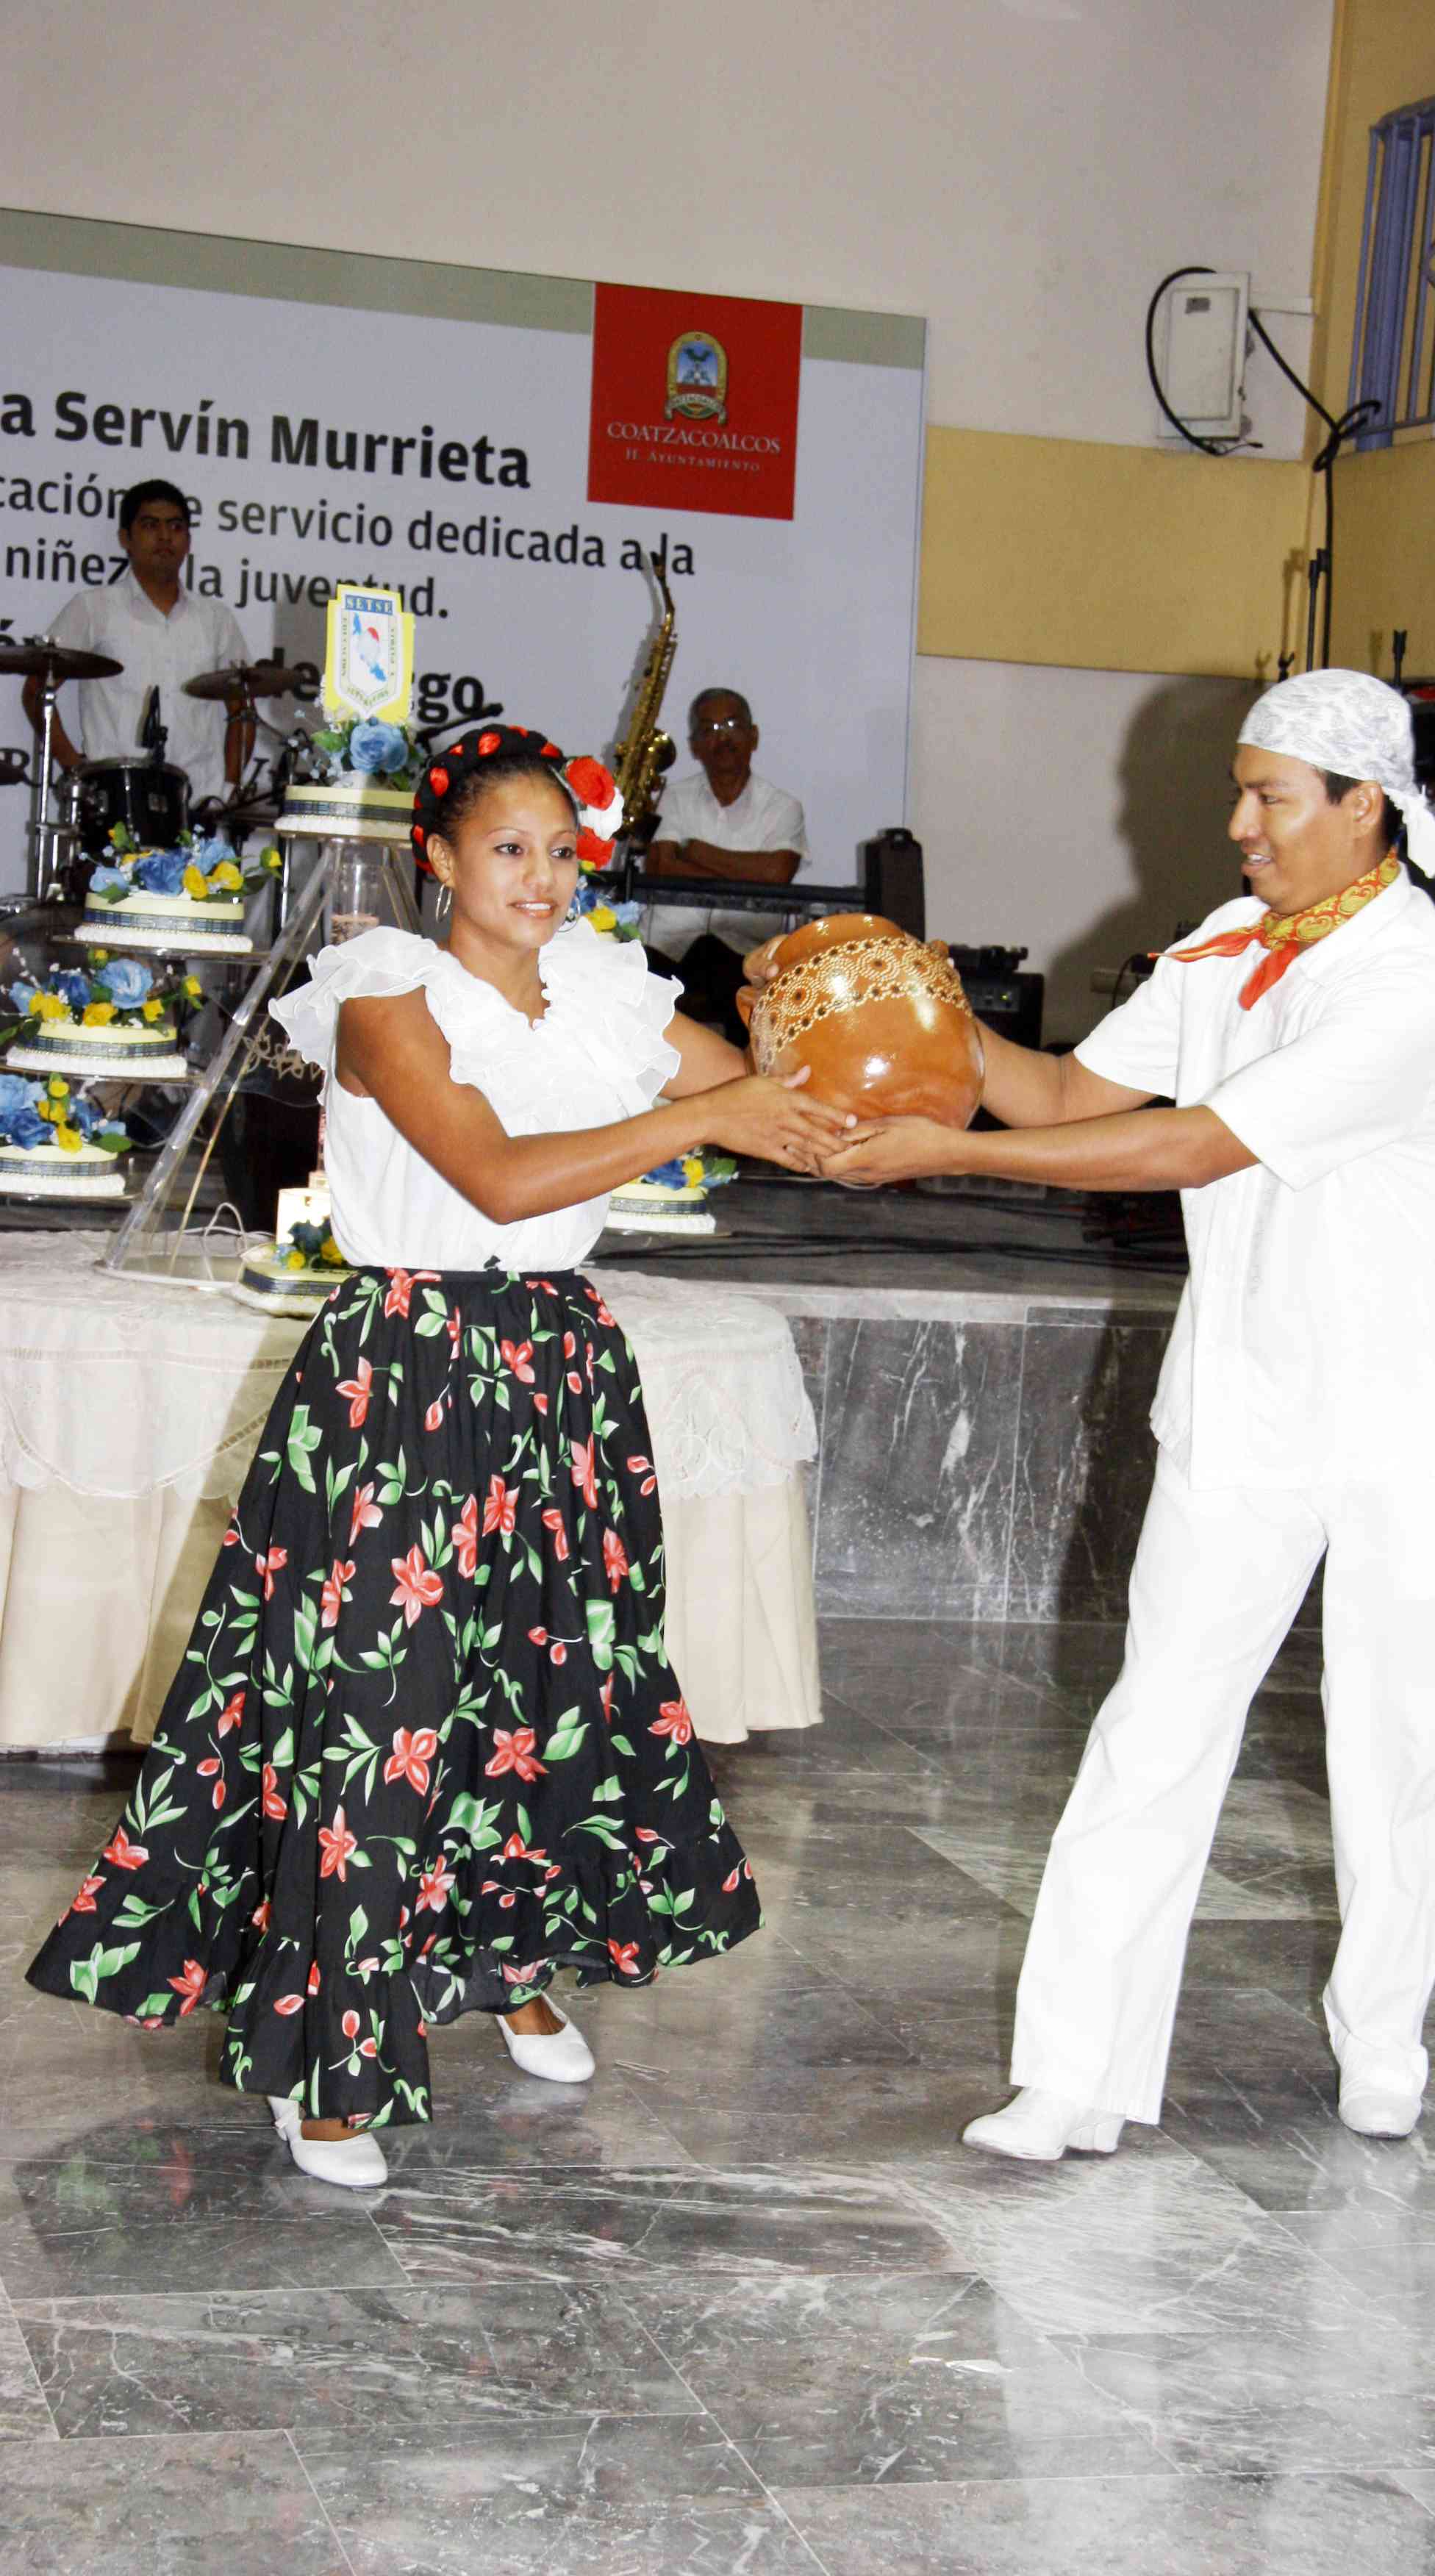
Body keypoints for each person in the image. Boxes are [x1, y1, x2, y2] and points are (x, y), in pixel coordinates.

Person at [27, 726, 849, 2190]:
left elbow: (782, 1099)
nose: (541, 878)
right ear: (442, 858)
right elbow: (498, 1177)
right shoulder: (384, 995)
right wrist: (712, 1112)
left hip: (558, 1374)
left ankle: (504, 1960)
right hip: (407, 1369)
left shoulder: (605, 987)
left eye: (561, 851)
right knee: (377, 1711)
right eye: (508, 849)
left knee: (539, 1691)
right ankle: (327, 2061)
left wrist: (851, 1048)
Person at [808, 669, 1435, 2157]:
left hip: (1415, 1423)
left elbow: (1189, 1148)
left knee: (1402, 1741)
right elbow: (1070, 1098)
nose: (1239, 823)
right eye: (1240, 792)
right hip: (1248, 1403)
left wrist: (947, 1150)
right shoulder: (1223, 944)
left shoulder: (1408, 981)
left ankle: (1382, 2039)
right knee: (1153, 1728)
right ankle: (1073, 2073)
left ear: (1364, 808)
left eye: (1270, 796)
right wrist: (924, 1018)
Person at [21, 478, 251, 811]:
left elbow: (243, 709)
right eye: (150, 525)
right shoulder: (93, 608)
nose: (165, 536)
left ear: (188, 540)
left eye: (176, 526)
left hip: (199, 805)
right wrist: (76, 770)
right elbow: (36, 691)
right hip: (115, 804)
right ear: (125, 538)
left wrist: (227, 788)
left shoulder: (216, 619)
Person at [644, 687, 806, 1042]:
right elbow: (662, 868)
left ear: (754, 736)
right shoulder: (674, 798)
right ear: (695, 746)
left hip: (743, 959)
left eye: (732, 725)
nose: (723, 738)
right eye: (710, 729)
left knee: (742, 987)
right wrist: (747, 872)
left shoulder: (782, 808)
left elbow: (777, 873)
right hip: (667, 950)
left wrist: (696, 851)